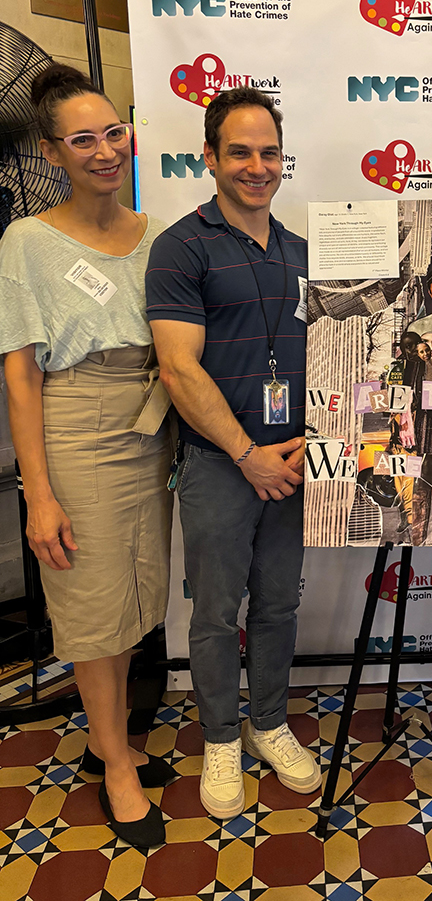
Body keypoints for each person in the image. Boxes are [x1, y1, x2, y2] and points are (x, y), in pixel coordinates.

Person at [0, 64, 175, 848]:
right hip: (75, 425)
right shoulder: (28, 241)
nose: (105, 150)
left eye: (114, 133)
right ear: (50, 153)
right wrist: (38, 492)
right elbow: (20, 370)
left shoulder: (154, 235)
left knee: (134, 592)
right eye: (83, 140)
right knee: (90, 608)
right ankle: (113, 765)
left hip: (150, 427)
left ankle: (111, 738)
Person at [145, 86, 320, 820]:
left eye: (269, 152)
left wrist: (307, 441)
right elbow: (180, 369)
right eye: (240, 152)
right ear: (209, 157)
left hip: (293, 463)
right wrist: (248, 452)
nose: (257, 166)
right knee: (217, 611)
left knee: (278, 603)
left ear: (284, 159)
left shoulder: (304, 253)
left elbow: (338, 361)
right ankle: (220, 734)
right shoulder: (181, 247)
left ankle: (268, 720)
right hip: (222, 463)